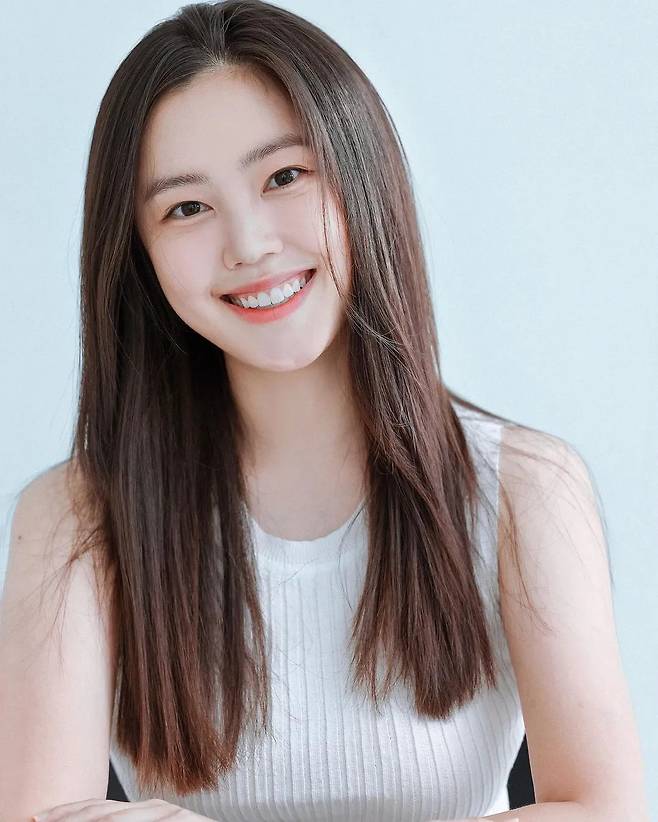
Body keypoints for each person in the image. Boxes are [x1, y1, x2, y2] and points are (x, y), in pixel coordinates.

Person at [0, 2, 649, 821]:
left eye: (284, 177)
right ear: (139, 253)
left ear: (360, 178)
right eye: (186, 208)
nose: (249, 244)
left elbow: (604, 810)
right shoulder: (77, 519)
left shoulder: (526, 490)